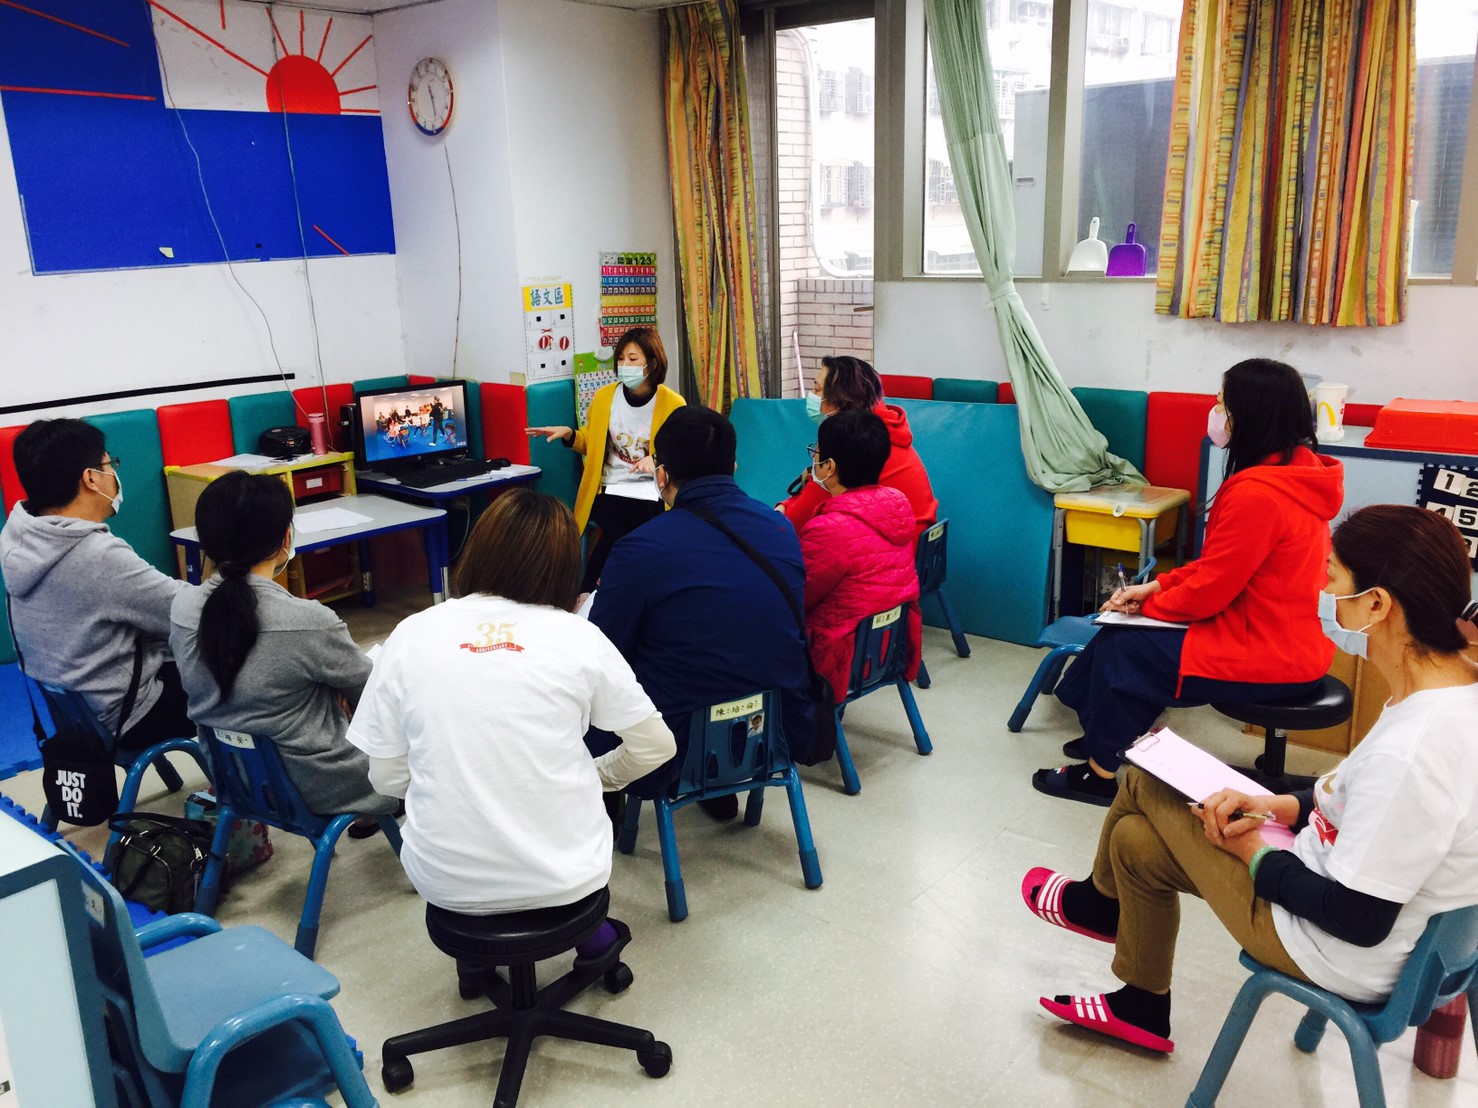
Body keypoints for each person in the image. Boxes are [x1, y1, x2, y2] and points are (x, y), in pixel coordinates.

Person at [1022, 504, 1478, 1054]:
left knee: (1143, 776)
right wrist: (1282, 806)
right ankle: (1139, 1003)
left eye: (1333, 578)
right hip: (1361, 909)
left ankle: (1099, 905)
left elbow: (1357, 919)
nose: (1322, 591)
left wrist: (1253, 854)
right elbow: (1355, 797)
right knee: (1135, 843)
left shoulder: (1414, 750)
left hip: (1336, 951)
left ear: (1377, 604)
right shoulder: (1446, 692)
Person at [346, 488, 676, 930]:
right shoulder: (579, 636)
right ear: (565, 566)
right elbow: (656, 746)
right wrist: (595, 777)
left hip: (445, 882)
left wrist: (453, 785)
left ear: (478, 550)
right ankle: (593, 944)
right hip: (570, 877)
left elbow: (385, 777)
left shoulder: (411, 634)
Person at [1034, 358, 1345, 806]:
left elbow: (1209, 592)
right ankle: (1104, 738)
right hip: (1286, 639)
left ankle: (1099, 776)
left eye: (1223, 404)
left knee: (1128, 649)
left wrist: (1146, 607)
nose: (1216, 413)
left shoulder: (1258, 495)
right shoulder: (1297, 472)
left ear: (1250, 415)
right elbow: (1220, 566)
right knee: (1118, 635)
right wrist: (1157, 588)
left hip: (1269, 652)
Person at [586, 406, 813, 821]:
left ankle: (601, 815)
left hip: (678, 745)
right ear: (734, 466)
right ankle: (719, 786)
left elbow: (604, 650)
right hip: (775, 727)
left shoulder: (640, 549)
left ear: (661, 476)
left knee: (594, 682)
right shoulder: (780, 528)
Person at [168, 472, 397, 822]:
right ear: (285, 538)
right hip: (322, 785)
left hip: (234, 780)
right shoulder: (308, 621)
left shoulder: (182, 608)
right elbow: (372, 693)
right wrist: (332, 690)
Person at [0, 418, 192, 750]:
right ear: (91, 478)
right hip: (130, 714)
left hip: (74, 715)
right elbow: (187, 611)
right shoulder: (97, 556)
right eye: (109, 464)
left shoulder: (21, 538)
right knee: (242, 675)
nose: (113, 474)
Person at [526, 327, 685, 591]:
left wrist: (656, 458)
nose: (624, 365)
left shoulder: (673, 403)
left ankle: (589, 590)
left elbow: (682, 449)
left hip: (652, 490)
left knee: (626, 528)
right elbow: (591, 443)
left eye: (633, 359)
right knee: (623, 523)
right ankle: (622, 588)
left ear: (653, 363)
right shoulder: (604, 398)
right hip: (609, 487)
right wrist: (570, 435)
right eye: (621, 358)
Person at [799, 408, 922, 705]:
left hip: (841, 659)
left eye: (817, 453)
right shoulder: (897, 505)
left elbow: (796, 599)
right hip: (889, 649)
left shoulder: (829, 529)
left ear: (829, 467)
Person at [779, 356, 938, 536]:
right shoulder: (883, 429)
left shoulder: (851, 441)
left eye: (817, 389)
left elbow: (798, 519)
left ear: (840, 400)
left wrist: (780, 512)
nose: (811, 395)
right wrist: (786, 506)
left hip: (894, 544)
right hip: (914, 538)